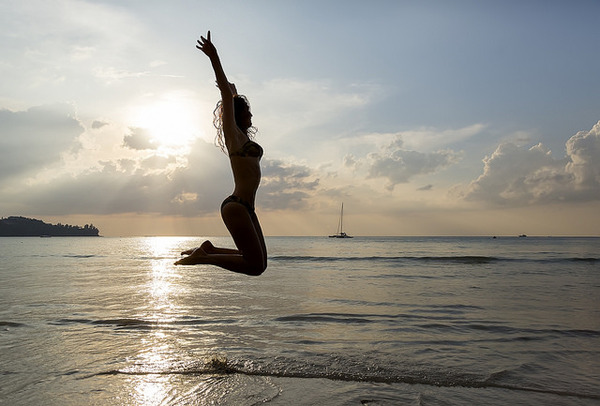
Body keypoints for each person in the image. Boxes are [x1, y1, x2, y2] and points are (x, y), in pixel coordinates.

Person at [176, 31, 267, 276]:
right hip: (235, 205)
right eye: (247, 112)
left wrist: (234, 91)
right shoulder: (234, 136)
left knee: (260, 263)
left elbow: (232, 93)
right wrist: (214, 58)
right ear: (238, 116)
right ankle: (204, 258)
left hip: (247, 207)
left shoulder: (244, 138)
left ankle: (208, 249)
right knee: (254, 266)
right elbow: (227, 96)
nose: (251, 116)